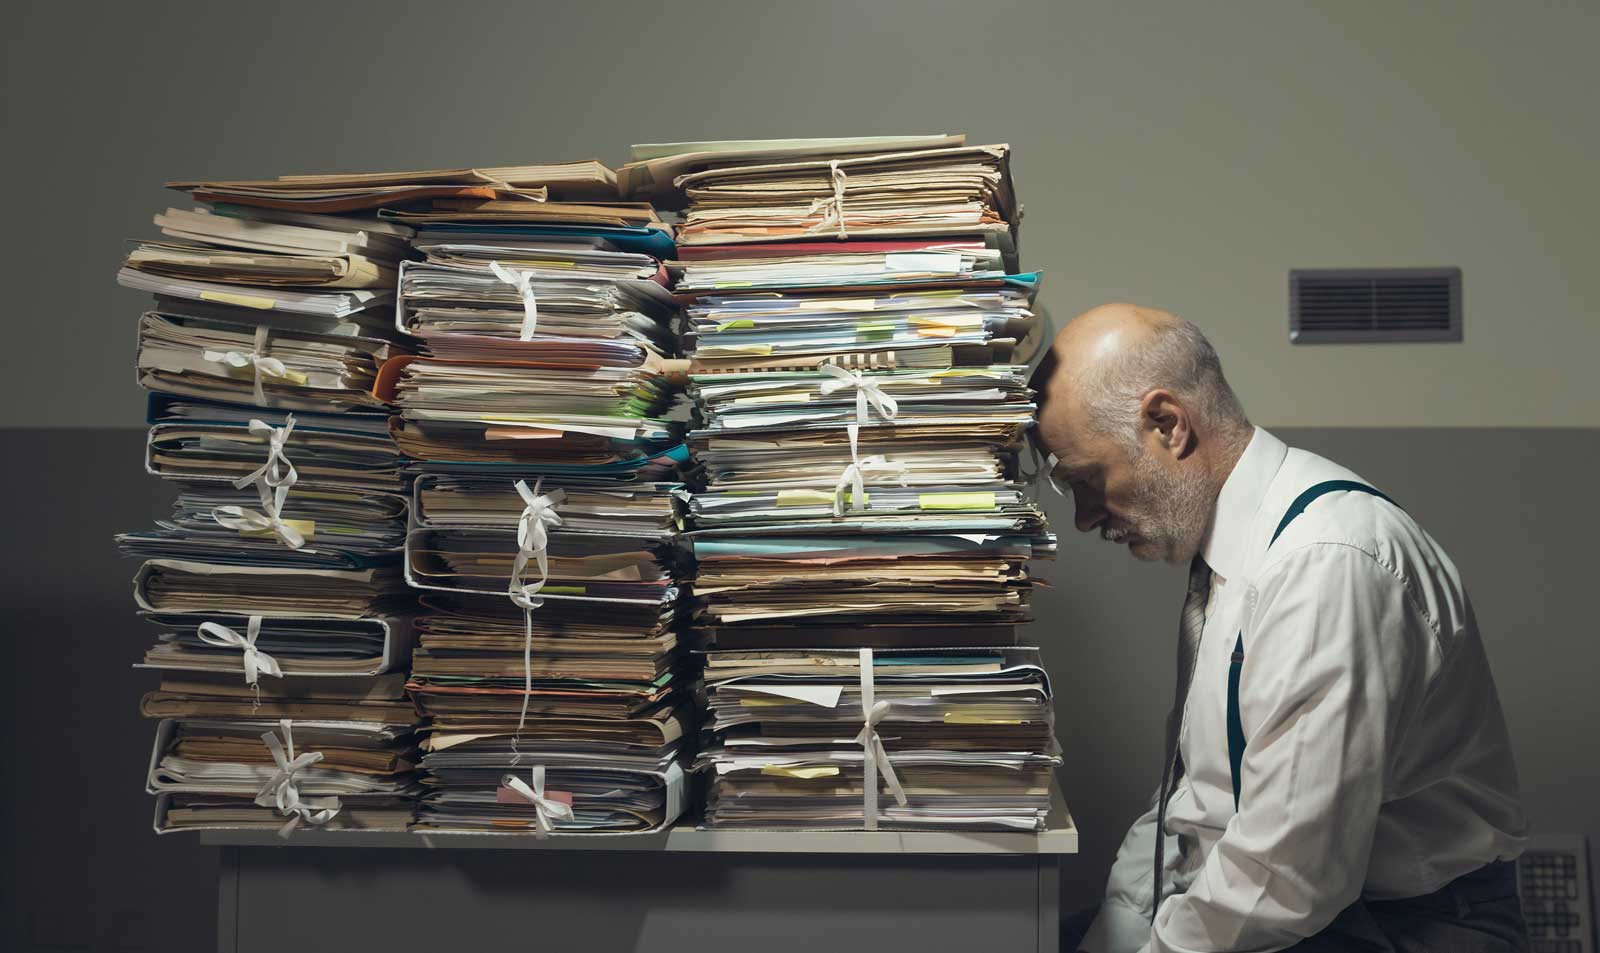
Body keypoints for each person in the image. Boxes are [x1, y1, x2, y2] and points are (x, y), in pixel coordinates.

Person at [1033, 304, 1529, 953]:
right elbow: (1195, 803)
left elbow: (1287, 876)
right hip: (1303, 899)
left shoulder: (1325, 566)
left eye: (1087, 480)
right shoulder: (1235, 558)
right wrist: (1112, 937)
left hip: (1415, 926)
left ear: (1167, 424)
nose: (1085, 519)